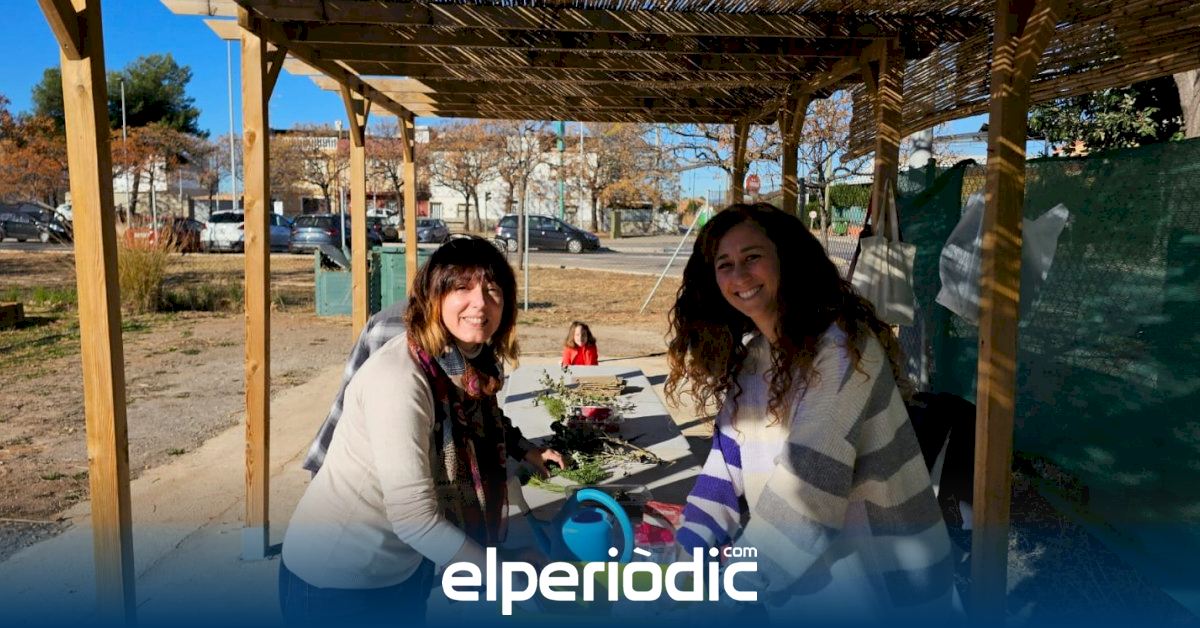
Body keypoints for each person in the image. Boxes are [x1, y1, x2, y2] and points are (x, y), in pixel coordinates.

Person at [665, 203, 955, 621]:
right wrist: (684, 559)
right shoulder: (754, 361)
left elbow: (807, 494)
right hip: (815, 581)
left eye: (752, 257)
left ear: (787, 257)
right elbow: (723, 475)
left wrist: (729, 590)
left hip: (888, 585)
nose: (739, 275)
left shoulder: (845, 351)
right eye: (724, 264)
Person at [279, 236, 564, 624]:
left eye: (492, 290)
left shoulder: (467, 366)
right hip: (338, 581)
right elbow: (415, 520)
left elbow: (488, 426)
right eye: (462, 288)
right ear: (433, 297)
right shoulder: (401, 380)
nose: (480, 303)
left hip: (405, 568)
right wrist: (506, 576)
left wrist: (501, 559)